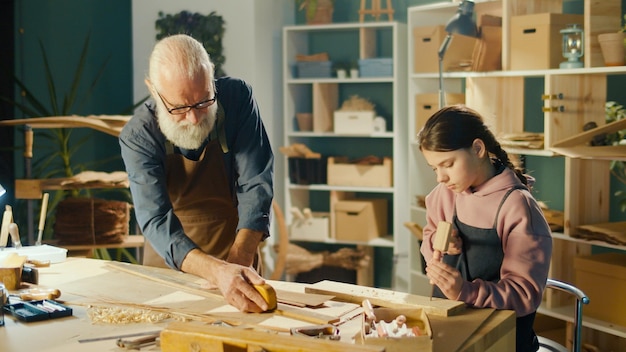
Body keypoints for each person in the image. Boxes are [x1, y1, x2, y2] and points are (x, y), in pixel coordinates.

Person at [119, 34, 274, 313]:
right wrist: (216, 272)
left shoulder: (238, 99)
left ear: (212, 77)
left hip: (236, 246)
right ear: (153, 90)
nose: (194, 118)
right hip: (171, 265)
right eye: (179, 108)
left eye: (203, 101)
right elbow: (154, 218)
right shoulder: (139, 135)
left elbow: (257, 181)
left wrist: (238, 261)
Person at [417, 105, 552, 352]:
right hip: (449, 327)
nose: (440, 178)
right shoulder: (443, 195)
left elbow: (524, 294)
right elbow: (428, 239)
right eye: (434, 168)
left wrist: (465, 291)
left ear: (478, 149)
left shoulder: (518, 207)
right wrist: (438, 242)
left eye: (447, 164)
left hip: (501, 338)